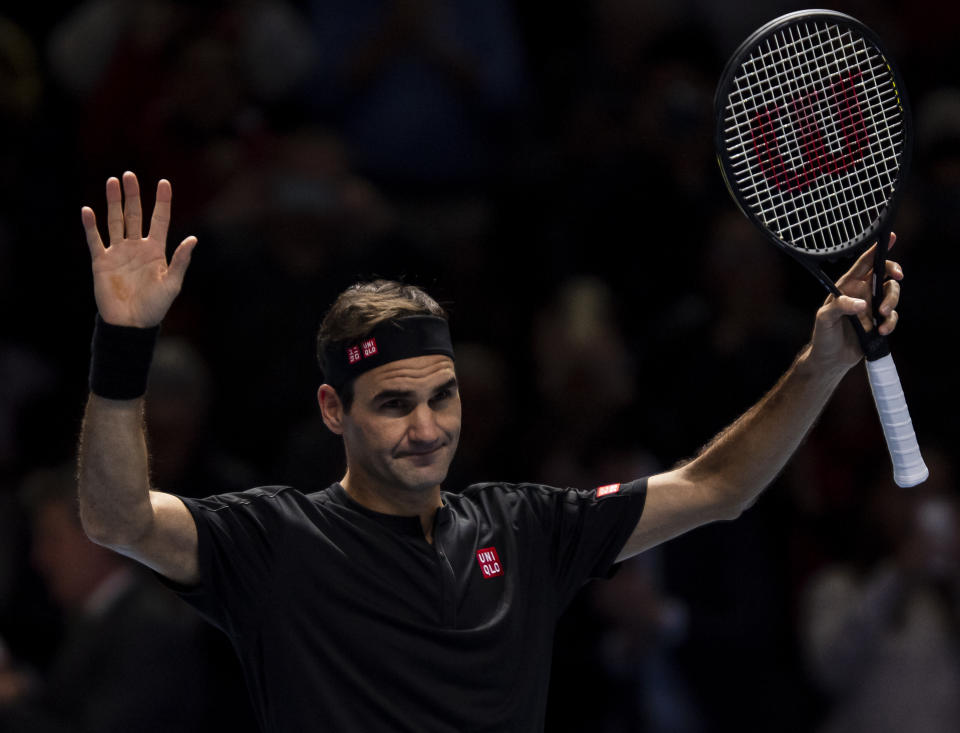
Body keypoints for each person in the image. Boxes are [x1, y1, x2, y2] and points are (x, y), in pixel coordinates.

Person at [76, 172, 906, 732]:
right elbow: (116, 516)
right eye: (394, 404)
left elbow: (719, 484)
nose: (428, 426)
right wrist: (124, 342)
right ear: (333, 409)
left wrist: (822, 361)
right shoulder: (272, 541)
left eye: (443, 395)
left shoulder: (526, 527)